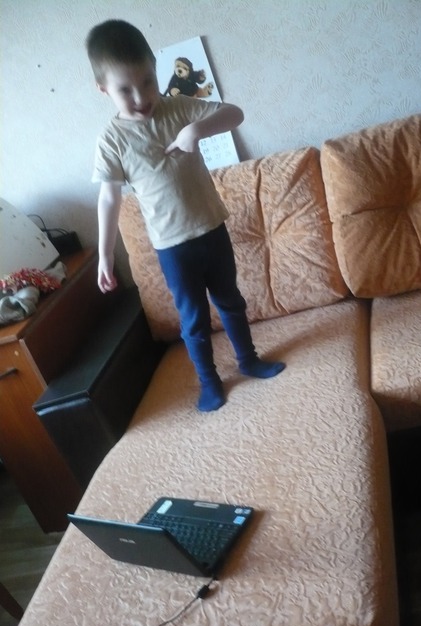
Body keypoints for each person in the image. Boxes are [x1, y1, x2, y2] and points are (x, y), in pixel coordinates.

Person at [86, 20, 285, 412]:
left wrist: (197, 129)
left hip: (212, 230)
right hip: (172, 248)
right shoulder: (111, 140)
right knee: (193, 320)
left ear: (155, 70)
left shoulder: (178, 107)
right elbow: (108, 199)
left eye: (147, 81)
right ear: (103, 89)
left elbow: (235, 114)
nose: (141, 96)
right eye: (125, 89)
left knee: (231, 302)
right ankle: (209, 382)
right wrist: (106, 255)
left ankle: (248, 360)